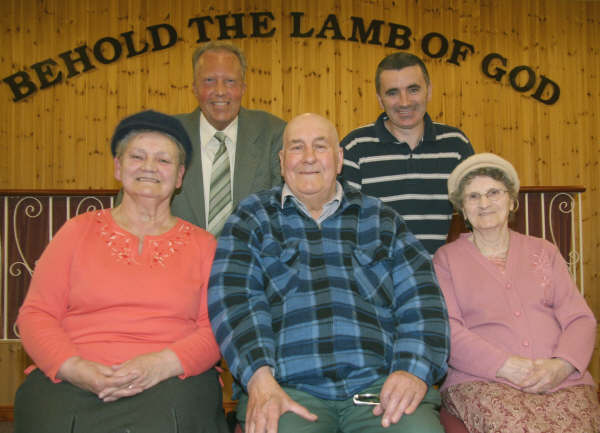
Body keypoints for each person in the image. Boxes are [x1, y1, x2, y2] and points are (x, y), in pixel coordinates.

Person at [208, 113, 450, 433]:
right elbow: (234, 301)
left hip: (379, 389)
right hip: (287, 391)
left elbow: (423, 299)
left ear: (338, 160)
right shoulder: (251, 219)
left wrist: (412, 370)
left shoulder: (382, 219)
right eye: (297, 147)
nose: (308, 158)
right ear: (282, 161)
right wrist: (260, 380)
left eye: (320, 147)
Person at [14, 110, 228, 433]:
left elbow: (216, 329)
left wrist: (160, 365)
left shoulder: (204, 245)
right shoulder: (76, 231)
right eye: (137, 156)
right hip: (74, 379)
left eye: (164, 161)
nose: (149, 167)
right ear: (118, 167)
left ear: (180, 175)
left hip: (171, 381)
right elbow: (35, 315)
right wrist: (75, 368)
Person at [433, 153, 600, 432]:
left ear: (511, 201)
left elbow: (580, 319)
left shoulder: (544, 251)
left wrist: (561, 365)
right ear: (462, 208)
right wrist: (506, 366)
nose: (484, 203)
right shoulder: (446, 259)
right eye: (473, 197)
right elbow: (448, 329)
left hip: (560, 378)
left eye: (493, 193)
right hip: (483, 381)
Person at [340, 52, 474, 255]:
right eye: (392, 92)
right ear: (379, 99)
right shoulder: (355, 147)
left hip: (438, 277)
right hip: (378, 279)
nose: (404, 102)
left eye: (413, 90)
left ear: (428, 92)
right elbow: (344, 225)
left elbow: (475, 216)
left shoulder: (456, 145)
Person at [172, 41, 286, 235]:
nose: (220, 91)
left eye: (230, 81)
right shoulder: (167, 136)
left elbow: (287, 210)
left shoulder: (274, 134)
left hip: (254, 261)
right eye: (209, 80)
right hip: (179, 262)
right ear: (194, 88)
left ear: (243, 88)